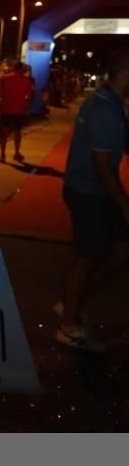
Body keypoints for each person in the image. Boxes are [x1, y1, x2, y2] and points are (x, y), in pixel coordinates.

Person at [56, 47, 129, 353]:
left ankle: (72, 302)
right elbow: (103, 166)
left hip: (93, 189)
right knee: (86, 259)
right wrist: (125, 207)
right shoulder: (104, 108)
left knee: (119, 250)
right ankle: (68, 325)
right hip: (88, 191)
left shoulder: (109, 101)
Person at [0, 61, 34, 162]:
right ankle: (16, 153)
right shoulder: (27, 80)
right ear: (22, 69)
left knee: (3, 132)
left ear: (13, 68)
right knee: (17, 132)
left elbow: (0, 94)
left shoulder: (4, 78)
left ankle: (2, 154)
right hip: (19, 110)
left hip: (6, 108)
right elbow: (29, 97)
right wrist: (27, 108)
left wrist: (2, 103)